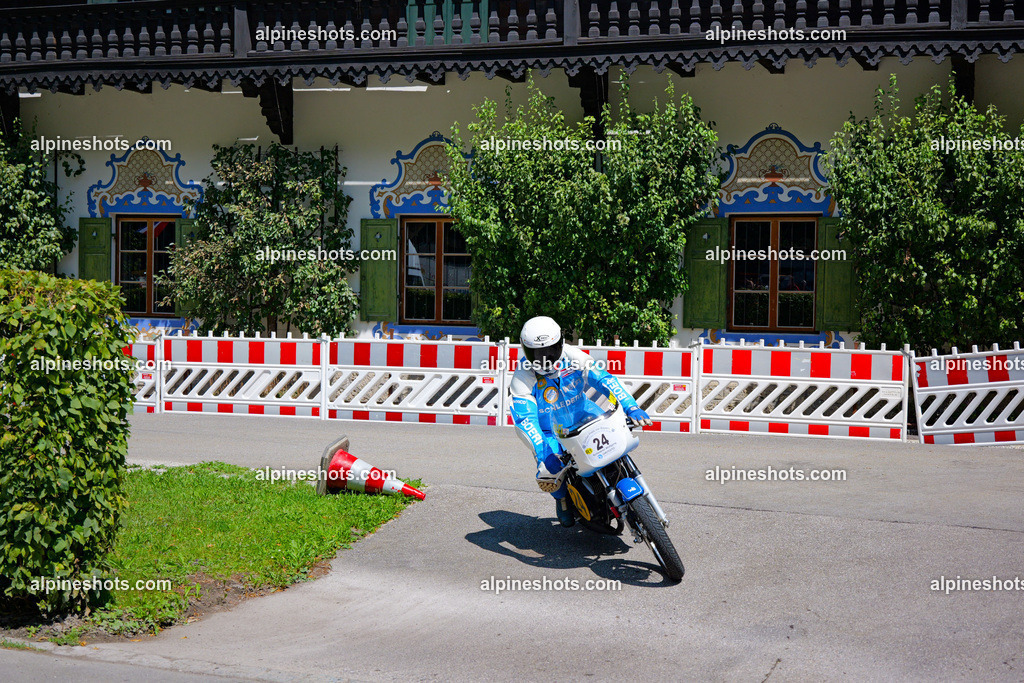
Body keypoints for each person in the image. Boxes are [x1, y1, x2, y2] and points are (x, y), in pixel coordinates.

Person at [509, 316, 652, 527]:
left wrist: (630, 406)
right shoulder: (522, 378)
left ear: (561, 343)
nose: (545, 358)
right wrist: (544, 453)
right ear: (526, 351)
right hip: (550, 431)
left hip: (584, 412)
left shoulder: (574, 356)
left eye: (551, 350)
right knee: (549, 473)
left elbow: (604, 379)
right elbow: (525, 421)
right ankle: (563, 498)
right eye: (537, 354)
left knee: (615, 443)